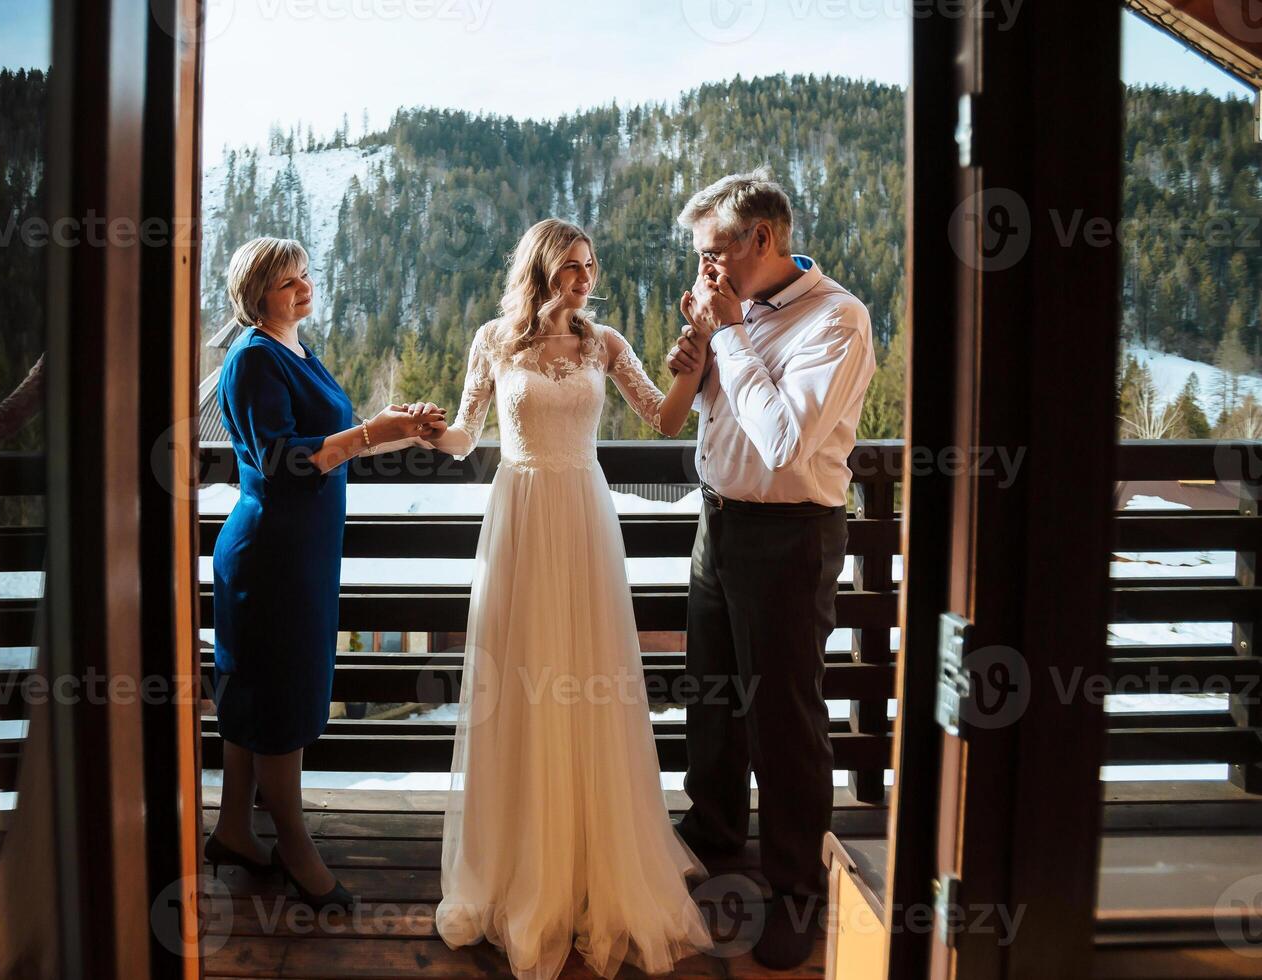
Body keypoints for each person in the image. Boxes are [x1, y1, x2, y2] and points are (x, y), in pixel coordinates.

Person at [424, 218, 715, 980]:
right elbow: (465, 433)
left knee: (587, 680)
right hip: (518, 517)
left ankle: (592, 863)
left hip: (583, 518)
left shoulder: (605, 343)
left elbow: (664, 417)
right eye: (570, 269)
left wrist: (697, 358)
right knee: (519, 682)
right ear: (541, 269)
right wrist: (422, 430)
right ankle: (523, 860)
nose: (584, 280)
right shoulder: (495, 340)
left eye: (590, 267)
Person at [665, 167, 877, 970]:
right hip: (718, 522)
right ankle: (713, 832)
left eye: (716, 252)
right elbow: (718, 412)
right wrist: (700, 351)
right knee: (710, 693)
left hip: (791, 534)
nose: (707, 271)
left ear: (763, 239)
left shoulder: (838, 320)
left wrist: (727, 336)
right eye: (699, 257)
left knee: (784, 716)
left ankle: (797, 891)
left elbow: (786, 438)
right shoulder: (737, 314)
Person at [204, 236, 444, 911]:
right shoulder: (253, 359)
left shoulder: (295, 350)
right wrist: (371, 433)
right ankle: (293, 846)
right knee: (279, 698)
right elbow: (285, 461)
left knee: (256, 692)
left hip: (300, 552)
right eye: (287, 282)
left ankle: (232, 831)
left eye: (305, 275)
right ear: (257, 295)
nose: (304, 287)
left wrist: (402, 429)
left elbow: (333, 440)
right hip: (271, 555)